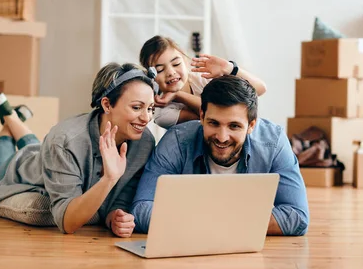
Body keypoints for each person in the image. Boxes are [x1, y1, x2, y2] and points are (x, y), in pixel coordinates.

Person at [0, 63, 157, 237]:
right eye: (136, 107)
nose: (146, 117)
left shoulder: (144, 142)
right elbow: (68, 223)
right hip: (15, 171)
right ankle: (8, 118)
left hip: (44, 153)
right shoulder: (65, 140)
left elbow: (121, 197)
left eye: (150, 108)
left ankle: (11, 116)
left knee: (39, 149)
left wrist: (114, 217)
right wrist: (109, 178)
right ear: (107, 105)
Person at [131, 75, 309, 236]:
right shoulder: (177, 141)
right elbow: (141, 210)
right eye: (214, 123)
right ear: (201, 116)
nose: (222, 137)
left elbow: (297, 217)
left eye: (234, 126)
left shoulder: (273, 142)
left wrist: (204, 221)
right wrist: (231, 222)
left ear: (251, 125)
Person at [139, 35, 267, 129]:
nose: (171, 72)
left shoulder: (203, 76)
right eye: (160, 70)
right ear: (151, 76)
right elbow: (215, 115)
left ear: (186, 61)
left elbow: (260, 89)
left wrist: (230, 68)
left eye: (176, 63)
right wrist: (179, 95)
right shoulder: (163, 113)